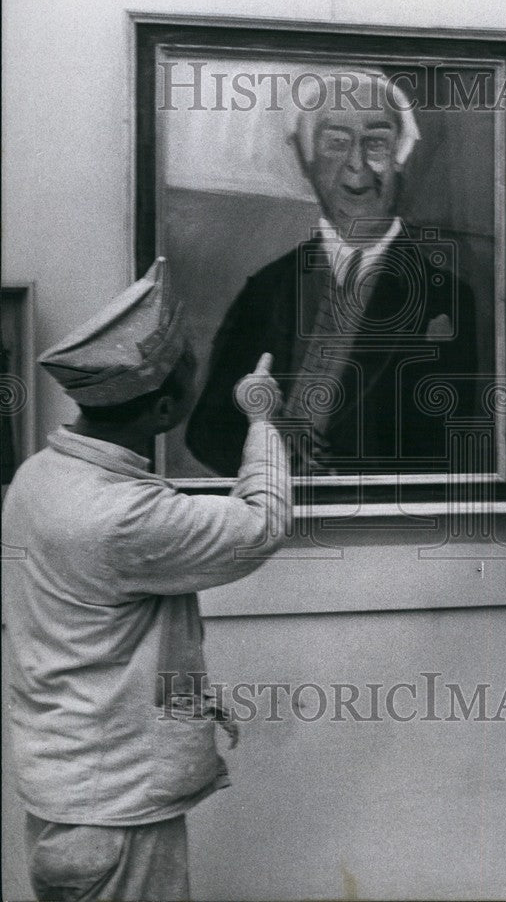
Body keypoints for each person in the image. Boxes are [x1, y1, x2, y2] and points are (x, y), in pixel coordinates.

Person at [2, 258, 291, 901]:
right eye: (191, 377)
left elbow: (94, 631)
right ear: (163, 411)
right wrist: (263, 421)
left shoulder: (38, 479)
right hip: (116, 819)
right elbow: (262, 524)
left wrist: (179, 694)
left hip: (69, 800)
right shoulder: (122, 517)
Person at [186, 69, 479, 477]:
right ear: (308, 162)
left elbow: (469, 444)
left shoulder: (448, 297)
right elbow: (206, 433)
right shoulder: (268, 289)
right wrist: (267, 441)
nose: (357, 166)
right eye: (336, 143)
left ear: (400, 156)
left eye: (375, 142)